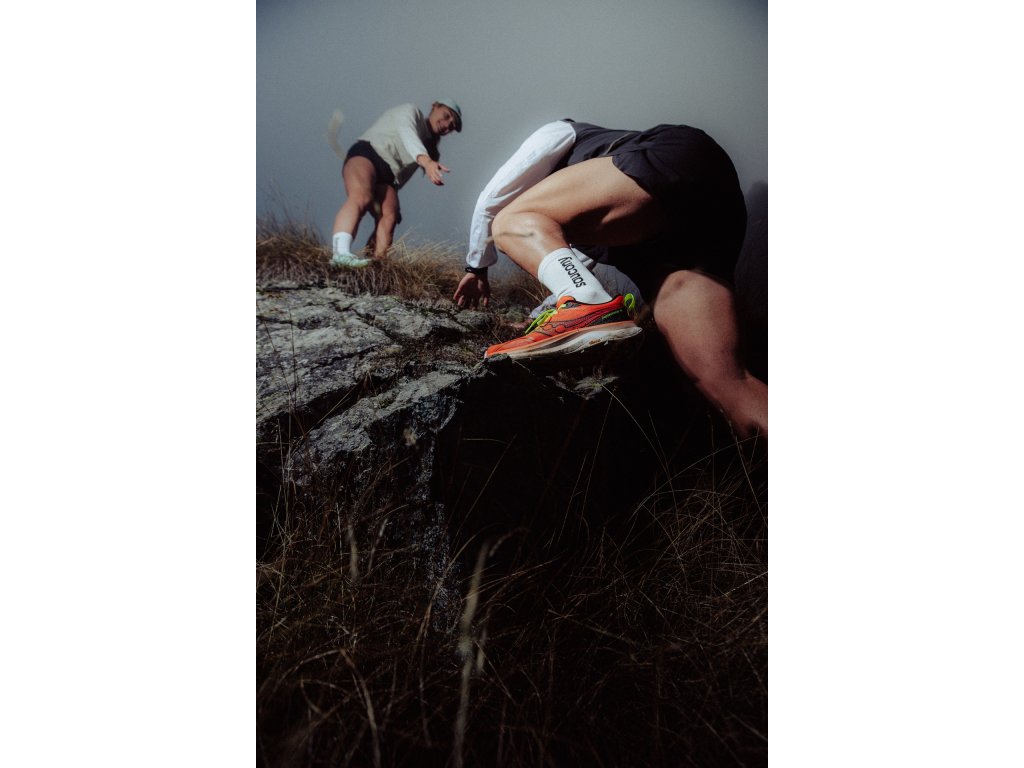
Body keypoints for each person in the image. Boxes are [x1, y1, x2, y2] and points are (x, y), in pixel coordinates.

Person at [452, 119, 767, 441]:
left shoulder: (560, 131)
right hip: (703, 222)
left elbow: (492, 200)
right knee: (729, 383)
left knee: (509, 220)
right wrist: (540, 317)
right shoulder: (582, 220)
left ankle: (584, 306)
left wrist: (476, 269)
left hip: (673, 160)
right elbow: (573, 269)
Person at [330, 100, 463, 268]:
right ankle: (340, 253)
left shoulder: (430, 148)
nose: (448, 124)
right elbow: (407, 133)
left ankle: (375, 265)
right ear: (435, 106)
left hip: (388, 176)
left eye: (452, 126)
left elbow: (402, 175)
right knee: (361, 196)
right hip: (368, 154)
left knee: (390, 216)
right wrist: (426, 161)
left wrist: (428, 161)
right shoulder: (411, 112)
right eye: (447, 115)